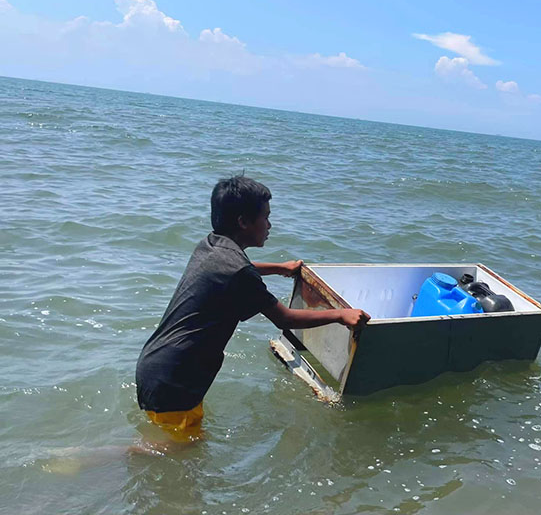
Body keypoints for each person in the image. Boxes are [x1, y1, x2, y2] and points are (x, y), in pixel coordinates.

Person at [135, 176, 369, 441]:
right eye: (265, 217)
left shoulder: (210, 245)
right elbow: (285, 318)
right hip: (176, 380)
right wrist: (341, 315)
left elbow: (241, 270)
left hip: (159, 366)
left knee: (184, 445)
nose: (269, 225)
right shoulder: (239, 272)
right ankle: (92, 460)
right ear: (243, 222)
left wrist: (280, 268)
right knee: (169, 452)